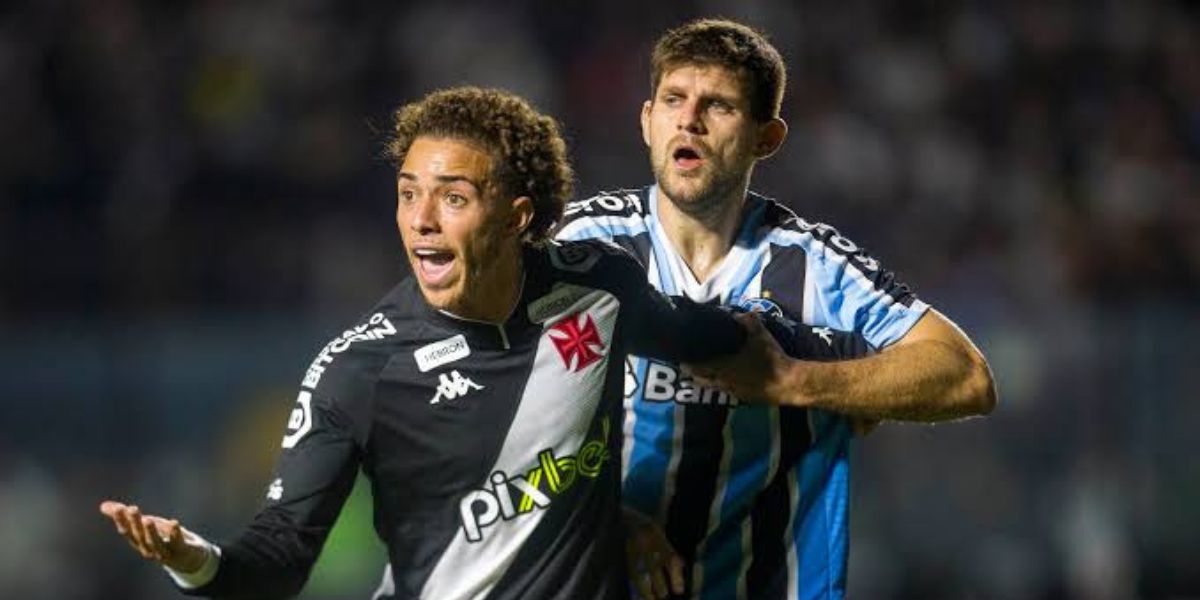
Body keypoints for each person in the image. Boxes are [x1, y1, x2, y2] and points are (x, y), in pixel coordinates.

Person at [98, 86, 762, 600]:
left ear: (516, 216)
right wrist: (194, 560)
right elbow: (275, 560)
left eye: (452, 197)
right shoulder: (360, 370)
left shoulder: (600, 289)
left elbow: (705, 336)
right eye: (408, 193)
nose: (420, 219)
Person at [555, 19, 997, 600]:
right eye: (673, 100)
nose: (688, 120)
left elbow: (967, 377)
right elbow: (490, 404)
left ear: (767, 138)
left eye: (718, 106)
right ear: (646, 120)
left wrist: (798, 380)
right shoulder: (582, 243)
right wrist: (609, 514)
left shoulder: (814, 262)